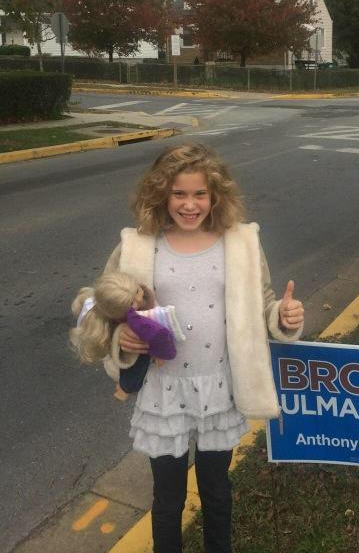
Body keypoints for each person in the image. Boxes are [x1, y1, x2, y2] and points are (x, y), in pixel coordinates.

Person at [100, 144, 304, 553]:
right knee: (167, 498)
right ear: (161, 194)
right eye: (179, 194)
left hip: (219, 389)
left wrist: (281, 316)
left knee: (216, 491)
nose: (189, 205)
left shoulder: (240, 242)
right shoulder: (137, 246)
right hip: (165, 390)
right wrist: (120, 340)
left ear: (215, 196)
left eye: (199, 194)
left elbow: (261, 300)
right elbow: (105, 309)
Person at [70, 271, 186, 400]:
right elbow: (160, 335)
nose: (139, 299)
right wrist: (117, 333)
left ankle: (126, 387)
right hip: (154, 366)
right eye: (132, 302)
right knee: (138, 364)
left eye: (137, 292)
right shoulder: (136, 318)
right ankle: (127, 387)